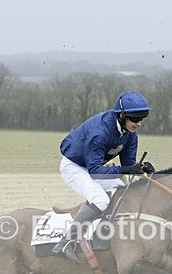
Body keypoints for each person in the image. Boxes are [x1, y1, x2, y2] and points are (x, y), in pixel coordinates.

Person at [51, 91, 155, 262]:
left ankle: (101, 234)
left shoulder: (130, 134)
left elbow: (128, 163)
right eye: (135, 119)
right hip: (74, 167)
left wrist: (141, 167)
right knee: (101, 200)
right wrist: (129, 169)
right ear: (121, 116)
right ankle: (64, 242)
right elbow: (96, 171)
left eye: (142, 119)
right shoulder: (100, 133)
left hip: (93, 166)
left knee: (121, 190)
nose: (139, 123)